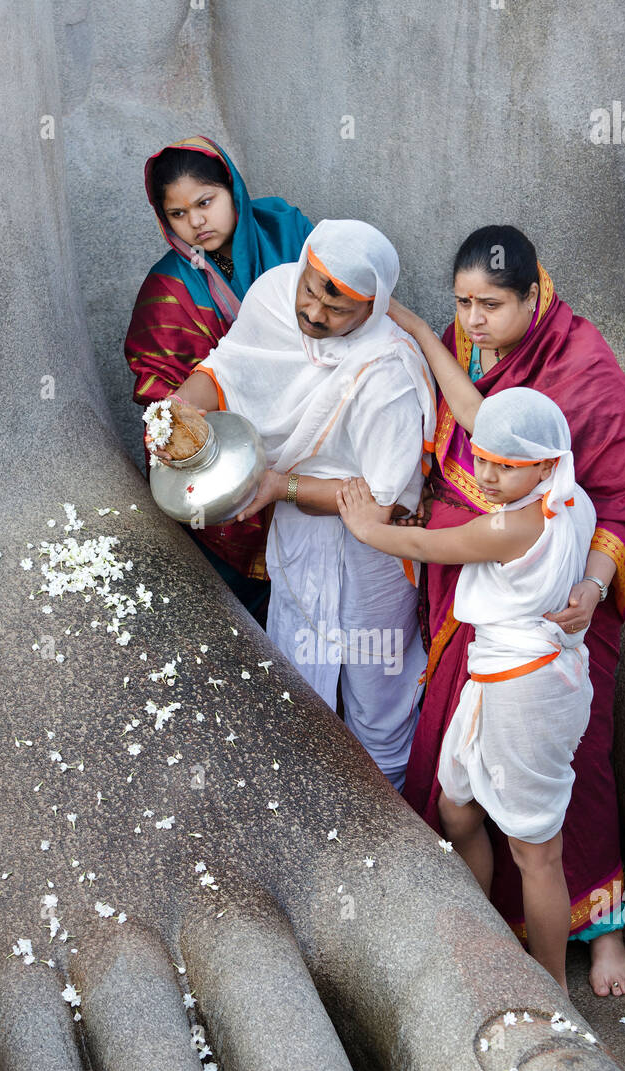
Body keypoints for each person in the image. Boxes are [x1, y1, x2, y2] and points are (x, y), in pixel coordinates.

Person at [389, 225, 625, 998]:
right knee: (458, 774)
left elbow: (620, 507)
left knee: (580, 770)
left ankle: (601, 931)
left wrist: (593, 586)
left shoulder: (583, 366)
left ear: (535, 295)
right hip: (475, 611)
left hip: (562, 611)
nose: (473, 321)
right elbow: (459, 422)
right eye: (462, 302)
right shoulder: (460, 348)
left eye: (491, 305)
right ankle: (496, 933)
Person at [150, 219, 436, 791]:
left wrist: (283, 488)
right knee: (296, 669)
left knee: (376, 696)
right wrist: (178, 408)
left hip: (373, 553)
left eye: (338, 306)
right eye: (312, 287)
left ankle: (391, 837)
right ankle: (303, 811)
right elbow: (229, 367)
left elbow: (379, 500)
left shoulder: (388, 374)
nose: (314, 311)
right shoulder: (277, 294)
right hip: (299, 535)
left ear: (373, 309)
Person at [338, 388, 594, 993]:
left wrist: (364, 527)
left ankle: (552, 987)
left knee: (537, 852)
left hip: (524, 690)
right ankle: (487, 943)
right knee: (456, 808)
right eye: (482, 460)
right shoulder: (572, 499)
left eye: (506, 466)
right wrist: (595, 584)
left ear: (547, 462)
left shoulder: (519, 522)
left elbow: (432, 546)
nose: (488, 475)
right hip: (504, 678)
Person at [125, 135, 312, 617]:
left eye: (205, 202)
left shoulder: (288, 234)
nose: (196, 222)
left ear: (232, 188)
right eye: (178, 214)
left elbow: (343, 310)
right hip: (232, 447)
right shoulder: (167, 288)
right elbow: (160, 387)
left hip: (318, 422)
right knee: (256, 607)